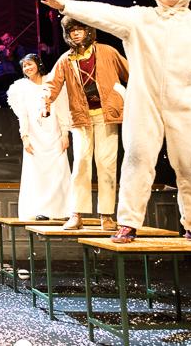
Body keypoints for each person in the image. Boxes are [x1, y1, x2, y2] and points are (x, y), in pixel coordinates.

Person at [39, 0, 191, 244]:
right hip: (144, 103)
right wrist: (67, 6)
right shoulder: (141, 20)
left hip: (186, 104)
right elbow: (105, 13)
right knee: (137, 160)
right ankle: (128, 223)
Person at [44, 17, 129, 231]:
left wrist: (135, 97)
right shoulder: (66, 59)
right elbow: (51, 84)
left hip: (107, 116)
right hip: (81, 118)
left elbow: (132, 74)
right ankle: (76, 214)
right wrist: (45, 102)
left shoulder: (107, 52)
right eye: (71, 30)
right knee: (81, 163)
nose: (76, 33)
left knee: (106, 164)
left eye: (80, 29)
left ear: (88, 30)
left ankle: (106, 215)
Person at [7, 54, 71, 221]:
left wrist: (65, 133)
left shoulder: (52, 82)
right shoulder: (21, 88)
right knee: (37, 174)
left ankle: (62, 211)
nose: (27, 68)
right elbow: (23, 115)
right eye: (24, 66)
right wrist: (25, 137)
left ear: (38, 64)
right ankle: (39, 210)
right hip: (35, 135)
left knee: (58, 171)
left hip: (54, 133)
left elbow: (62, 108)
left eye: (30, 64)